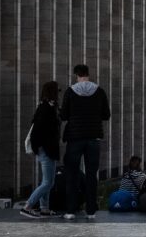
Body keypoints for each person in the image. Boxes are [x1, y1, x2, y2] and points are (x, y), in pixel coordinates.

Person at [60, 64, 110, 220]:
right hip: (93, 138)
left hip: (75, 138)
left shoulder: (70, 91)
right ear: (88, 74)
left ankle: (70, 210)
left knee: (72, 174)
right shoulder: (99, 91)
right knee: (91, 175)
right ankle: (91, 211)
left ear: (77, 75)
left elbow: (64, 115)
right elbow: (106, 115)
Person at [21, 81, 61, 218]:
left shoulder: (47, 107)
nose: (58, 94)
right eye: (57, 91)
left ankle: (44, 208)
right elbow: (38, 131)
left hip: (47, 149)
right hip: (46, 150)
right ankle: (28, 206)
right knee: (47, 182)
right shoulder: (45, 108)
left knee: (48, 181)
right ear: (52, 92)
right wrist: (38, 147)